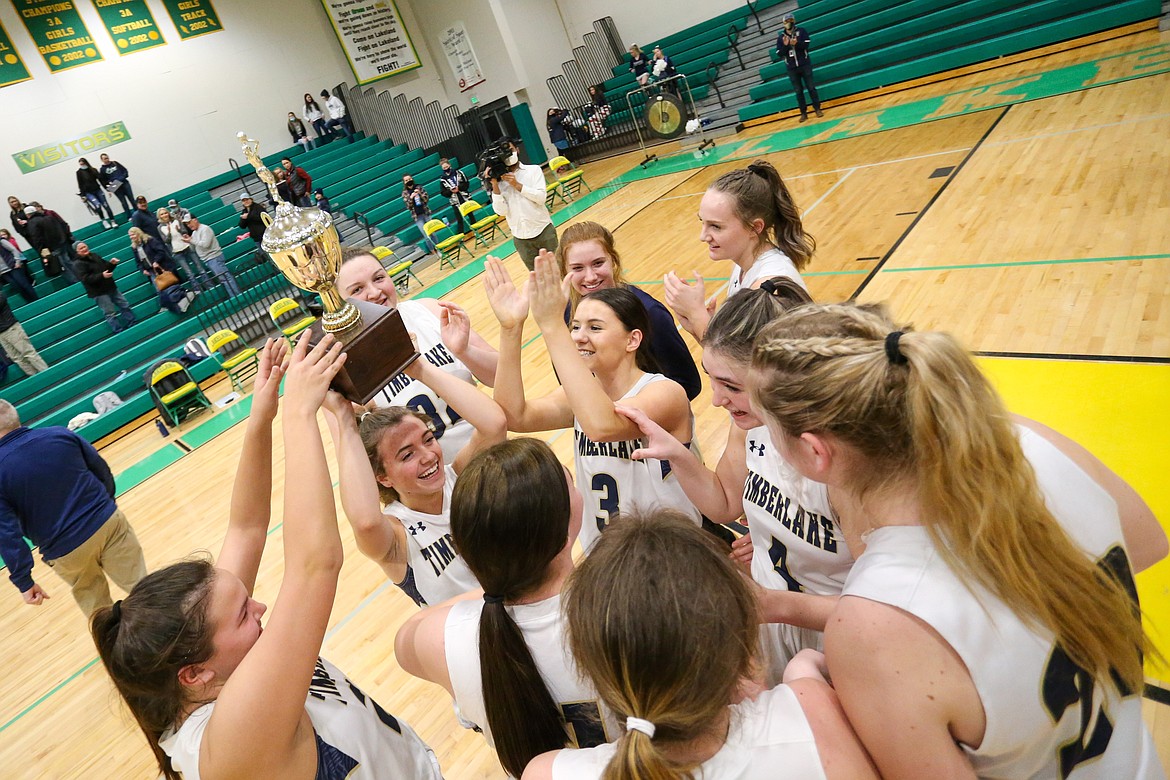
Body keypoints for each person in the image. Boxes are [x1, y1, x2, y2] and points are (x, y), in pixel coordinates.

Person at [749, 302, 1166, 778]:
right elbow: (1149, 543)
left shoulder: (877, 623)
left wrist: (808, 687)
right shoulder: (1025, 440)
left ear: (815, 452)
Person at [90, 337, 444, 780]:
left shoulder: (210, 649)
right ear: (195, 673)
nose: (260, 608)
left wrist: (263, 411)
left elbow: (248, 528)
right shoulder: (228, 741)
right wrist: (299, 413)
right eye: (243, 614)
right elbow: (315, 566)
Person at [523, 510, 879, 780]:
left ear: (591, 666)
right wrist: (805, 666)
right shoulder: (812, 711)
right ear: (741, 652)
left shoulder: (545, 772)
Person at [619, 281, 850, 684]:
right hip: (776, 623)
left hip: (841, 634)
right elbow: (725, 500)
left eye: (732, 386)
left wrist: (771, 602)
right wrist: (678, 453)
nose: (715, 400)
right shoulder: (751, 426)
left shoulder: (842, 460)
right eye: (712, 379)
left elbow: (888, 604)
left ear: (779, 378)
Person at [396, 438, 617, 778]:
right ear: (565, 517)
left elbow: (409, 634)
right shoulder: (622, 609)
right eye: (567, 482)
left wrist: (497, 578)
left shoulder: (443, 641)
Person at [486, 254, 699, 553]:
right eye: (574, 327)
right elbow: (514, 416)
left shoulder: (664, 392)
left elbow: (603, 425)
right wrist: (511, 328)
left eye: (595, 328)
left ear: (632, 340)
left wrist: (552, 326)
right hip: (606, 561)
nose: (579, 337)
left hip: (669, 557)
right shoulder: (582, 396)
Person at [324, 339, 505, 607]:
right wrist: (343, 418)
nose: (428, 456)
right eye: (407, 455)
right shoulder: (396, 534)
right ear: (383, 477)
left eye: (429, 439)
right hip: (474, 644)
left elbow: (495, 425)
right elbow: (365, 522)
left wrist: (418, 366)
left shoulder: (460, 476)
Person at [335, 247, 499, 459]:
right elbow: (356, 459)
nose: (375, 292)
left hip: (491, 452)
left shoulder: (429, 310)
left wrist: (465, 351)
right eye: (357, 290)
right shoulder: (346, 366)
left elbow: (498, 376)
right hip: (433, 480)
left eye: (379, 278)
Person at [0, 398, 144, 615]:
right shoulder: (59, 434)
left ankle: (115, 646)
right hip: (106, 521)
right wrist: (107, 503)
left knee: (100, 613)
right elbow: (100, 468)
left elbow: (7, 534)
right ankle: (184, 640)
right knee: (145, 589)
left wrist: (24, 581)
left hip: (65, 549)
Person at [665, 159, 814, 340]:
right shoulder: (741, 266)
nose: (703, 236)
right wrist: (703, 325)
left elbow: (736, 366)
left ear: (755, 227)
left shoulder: (767, 287)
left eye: (716, 226)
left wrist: (697, 314)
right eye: (702, 222)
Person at [556, 221, 700, 400]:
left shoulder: (650, 313)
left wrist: (636, 415)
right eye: (577, 268)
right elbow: (566, 379)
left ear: (613, 260)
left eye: (598, 263)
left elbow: (688, 383)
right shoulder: (566, 313)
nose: (590, 276)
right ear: (564, 271)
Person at [489, 139, 556, 271]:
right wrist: (494, 185)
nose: (509, 155)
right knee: (537, 278)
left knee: (558, 269)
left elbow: (541, 198)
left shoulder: (533, 170)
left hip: (543, 230)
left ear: (517, 150)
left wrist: (517, 185)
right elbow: (501, 212)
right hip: (521, 238)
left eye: (511, 150)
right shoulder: (499, 182)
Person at [74, 242, 136, 332]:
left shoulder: (94, 255)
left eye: (84, 246)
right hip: (98, 292)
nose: (84, 249)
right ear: (77, 252)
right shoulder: (77, 264)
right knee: (109, 312)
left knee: (124, 304)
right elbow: (85, 279)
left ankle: (132, 322)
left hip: (110, 286)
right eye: (81, 248)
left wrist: (112, 264)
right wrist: (102, 275)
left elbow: (106, 269)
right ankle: (118, 330)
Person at [778, 14, 823, 123]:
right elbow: (780, 53)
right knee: (798, 91)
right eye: (787, 21)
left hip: (804, 64)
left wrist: (797, 43)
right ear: (784, 23)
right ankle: (803, 113)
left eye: (791, 20)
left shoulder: (801, 31)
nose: (789, 23)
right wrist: (785, 45)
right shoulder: (781, 37)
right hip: (792, 68)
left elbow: (806, 45)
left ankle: (817, 109)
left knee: (811, 87)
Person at [184, 214, 241, 297]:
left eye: (189, 222)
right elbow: (194, 249)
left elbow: (206, 244)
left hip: (214, 257)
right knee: (223, 278)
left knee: (225, 278)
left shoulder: (205, 229)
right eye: (187, 224)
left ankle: (237, 296)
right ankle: (235, 296)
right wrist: (189, 241)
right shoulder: (194, 233)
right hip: (208, 259)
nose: (189, 225)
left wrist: (192, 241)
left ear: (195, 220)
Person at [25, 204, 79, 283]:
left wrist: (42, 251)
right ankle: (80, 277)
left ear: (27, 214)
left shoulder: (32, 223)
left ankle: (75, 282)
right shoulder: (48, 217)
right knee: (68, 262)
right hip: (61, 243)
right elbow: (60, 227)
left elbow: (36, 238)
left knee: (61, 266)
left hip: (51, 248)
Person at [157, 208, 206, 291]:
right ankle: (199, 290)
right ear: (159, 216)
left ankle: (209, 286)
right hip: (177, 252)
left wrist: (179, 230)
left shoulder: (176, 220)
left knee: (200, 268)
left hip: (187, 246)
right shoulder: (160, 227)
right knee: (189, 273)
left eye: (165, 213)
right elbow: (166, 241)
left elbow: (184, 231)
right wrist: (169, 232)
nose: (164, 215)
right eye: (162, 214)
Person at [0, 292, 47, 375]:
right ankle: (35, 377)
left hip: (11, 328)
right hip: (2, 334)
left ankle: (46, 374)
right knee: (17, 358)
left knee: (29, 353)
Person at [76, 158, 116, 228]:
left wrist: (108, 189)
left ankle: (112, 221)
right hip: (89, 193)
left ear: (86, 163)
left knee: (106, 205)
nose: (82, 165)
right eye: (80, 164)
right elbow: (80, 184)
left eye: (83, 164)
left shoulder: (93, 170)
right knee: (97, 206)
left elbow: (101, 180)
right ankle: (104, 220)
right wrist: (82, 195)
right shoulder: (79, 173)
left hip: (98, 190)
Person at [402, 174, 436, 254]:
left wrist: (420, 194)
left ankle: (439, 248)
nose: (408, 181)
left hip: (425, 212)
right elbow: (408, 207)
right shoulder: (405, 193)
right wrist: (411, 198)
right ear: (404, 182)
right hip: (417, 216)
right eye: (406, 180)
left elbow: (426, 199)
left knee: (433, 233)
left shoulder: (419, 187)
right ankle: (433, 251)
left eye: (409, 179)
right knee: (426, 235)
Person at [0, 232, 37, 302]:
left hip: (13, 266)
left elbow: (13, 250)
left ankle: (35, 300)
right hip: (3, 271)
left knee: (24, 284)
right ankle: (29, 301)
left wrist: (17, 261)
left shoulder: (2, 241)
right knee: (17, 287)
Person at [438, 158, 471, 234]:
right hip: (454, 201)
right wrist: (450, 191)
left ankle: (477, 230)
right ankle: (461, 236)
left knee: (470, 214)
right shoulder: (442, 179)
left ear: (449, 165)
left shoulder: (459, 173)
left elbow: (466, 183)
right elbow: (443, 192)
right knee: (459, 219)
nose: (446, 169)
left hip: (465, 196)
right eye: (444, 168)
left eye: (447, 167)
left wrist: (459, 188)